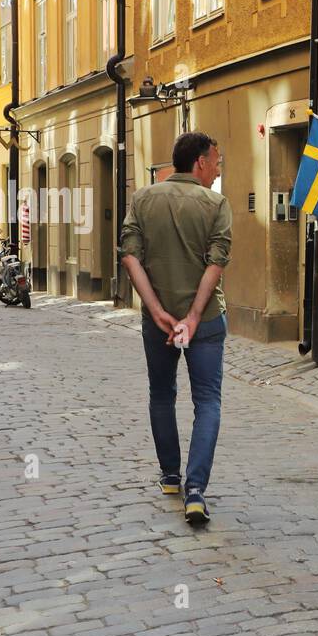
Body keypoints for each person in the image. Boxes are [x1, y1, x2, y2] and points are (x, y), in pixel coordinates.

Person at [119, 131, 231, 526]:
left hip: (158, 319)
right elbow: (215, 263)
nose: (218, 171)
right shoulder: (215, 203)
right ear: (199, 162)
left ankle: (170, 475)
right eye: (216, 161)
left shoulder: (143, 199)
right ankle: (195, 489)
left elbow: (130, 257)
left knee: (162, 393)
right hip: (205, 322)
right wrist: (193, 317)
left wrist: (158, 311)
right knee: (208, 401)